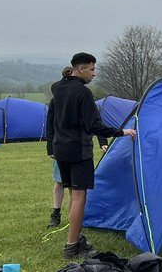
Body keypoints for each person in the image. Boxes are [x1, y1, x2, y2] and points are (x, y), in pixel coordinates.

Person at [47, 52, 136, 260]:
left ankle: (76, 237)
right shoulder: (83, 94)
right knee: (79, 197)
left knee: (72, 195)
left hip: (61, 150)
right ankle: (72, 246)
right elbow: (94, 125)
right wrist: (122, 132)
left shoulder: (57, 88)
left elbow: (52, 118)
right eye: (92, 69)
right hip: (79, 151)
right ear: (80, 69)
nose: (94, 74)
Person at [47, 67, 72, 228]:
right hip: (60, 145)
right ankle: (56, 214)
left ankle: (74, 218)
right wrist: (50, 148)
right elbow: (50, 125)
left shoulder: (80, 97)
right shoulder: (56, 100)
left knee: (75, 186)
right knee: (60, 182)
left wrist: (102, 140)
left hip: (76, 146)